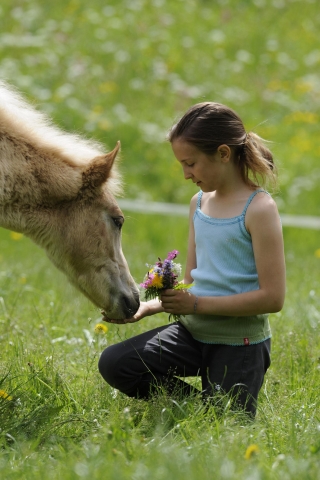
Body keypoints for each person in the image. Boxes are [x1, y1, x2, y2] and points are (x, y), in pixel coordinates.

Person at [98, 102, 286, 417]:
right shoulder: (198, 203)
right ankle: (200, 409)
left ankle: (213, 412)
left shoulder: (259, 209)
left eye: (191, 163)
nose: (186, 174)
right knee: (116, 363)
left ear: (224, 154)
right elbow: (194, 284)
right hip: (192, 333)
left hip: (239, 344)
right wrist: (149, 307)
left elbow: (273, 298)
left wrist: (196, 306)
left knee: (228, 428)